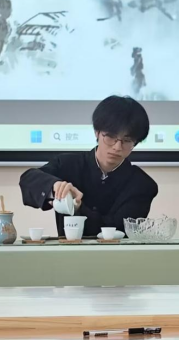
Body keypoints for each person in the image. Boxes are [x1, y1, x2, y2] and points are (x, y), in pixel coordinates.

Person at [20, 96, 158, 237]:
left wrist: (77, 207)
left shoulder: (143, 185)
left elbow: (115, 231)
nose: (117, 147)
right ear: (97, 132)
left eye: (127, 140)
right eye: (110, 137)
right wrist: (54, 187)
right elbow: (27, 180)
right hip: (67, 250)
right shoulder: (67, 164)